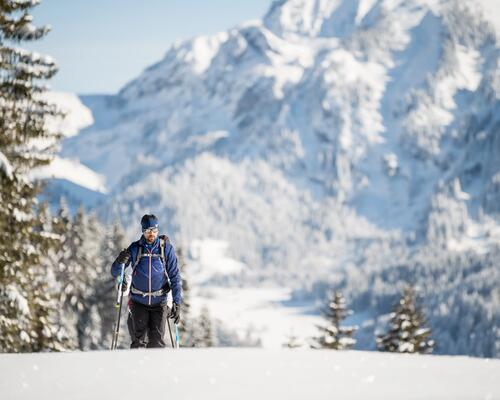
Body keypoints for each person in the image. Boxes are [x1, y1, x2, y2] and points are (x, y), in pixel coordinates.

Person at [111, 214, 182, 348]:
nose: (151, 234)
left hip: (159, 302)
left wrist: (177, 303)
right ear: (143, 231)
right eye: (148, 230)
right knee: (138, 343)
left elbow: (175, 277)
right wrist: (119, 261)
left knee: (157, 344)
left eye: (154, 230)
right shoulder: (135, 248)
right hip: (138, 301)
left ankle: (156, 369)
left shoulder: (165, 249)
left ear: (158, 230)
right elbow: (115, 272)